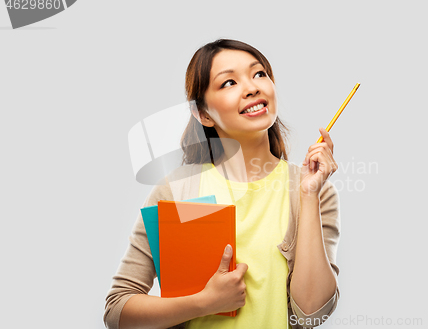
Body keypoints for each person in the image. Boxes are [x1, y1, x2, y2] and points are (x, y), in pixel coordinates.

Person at [104, 39, 341, 329]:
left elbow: (312, 314)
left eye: (259, 74)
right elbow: (117, 311)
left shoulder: (312, 190)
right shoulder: (177, 190)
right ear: (202, 114)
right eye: (229, 82)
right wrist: (205, 302)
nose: (252, 87)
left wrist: (308, 195)